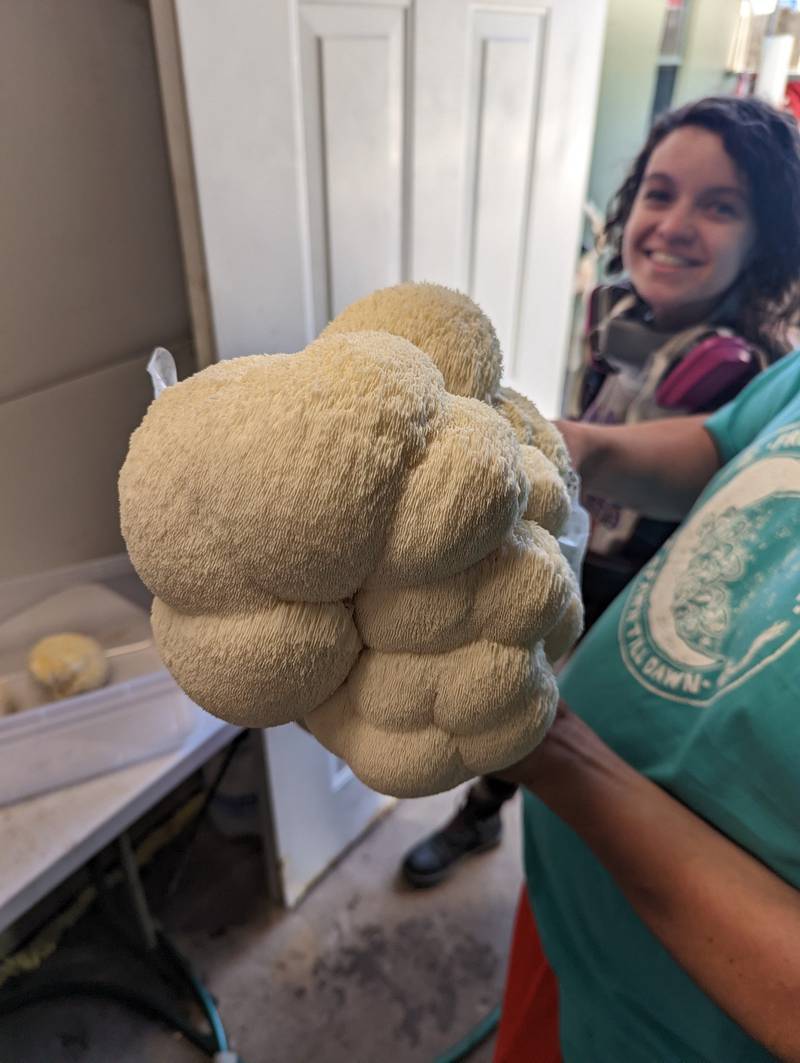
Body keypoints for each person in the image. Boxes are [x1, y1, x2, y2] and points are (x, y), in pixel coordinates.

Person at [401, 94, 800, 889]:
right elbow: (592, 413)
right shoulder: (608, 305)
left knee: (561, 710)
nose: (675, 224)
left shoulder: (740, 369)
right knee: (515, 676)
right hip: (575, 539)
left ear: (765, 242)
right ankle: (480, 813)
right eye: (659, 193)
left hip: (641, 583)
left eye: (720, 207)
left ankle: (566, 831)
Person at [493, 353, 800, 1061]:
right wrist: (581, 446)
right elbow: (728, 442)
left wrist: (558, 755)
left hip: (689, 1031)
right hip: (567, 897)